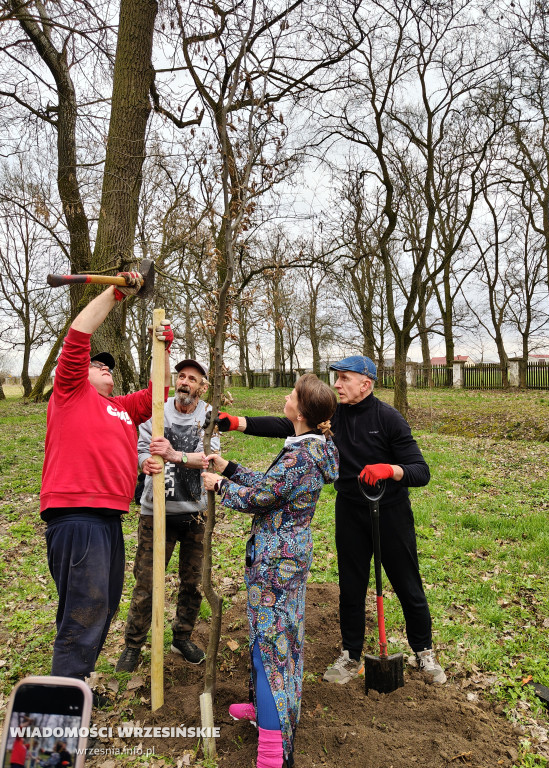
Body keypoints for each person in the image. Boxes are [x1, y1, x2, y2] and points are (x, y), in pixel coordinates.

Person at [216, 355, 446, 686]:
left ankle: (424, 653)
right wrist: (238, 421)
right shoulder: (332, 417)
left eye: (344, 378)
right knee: (351, 586)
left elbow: (420, 471)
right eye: (335, 378)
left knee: (407, 583)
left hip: (390, 513)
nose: (336, 384)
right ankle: (351, 655)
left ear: (365, 384)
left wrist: (390, 470)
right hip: (351, 510)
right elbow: (290, 423)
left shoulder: (389, 418)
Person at [40, 275, 173, 686]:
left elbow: (159, 390)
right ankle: (60, 721)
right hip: (76, 515)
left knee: (101, 607)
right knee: (86, 610)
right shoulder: (69, 393)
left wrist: (163, 347)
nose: (104, 369)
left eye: (108, 366)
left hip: (108, 520)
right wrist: (118, 292)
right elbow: (79, 333)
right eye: (97, 365)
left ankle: (73, 689)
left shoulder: (121, 409)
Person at [202, 374, 338, 768]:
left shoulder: (302, 456)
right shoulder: (308, 448)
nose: (286, 396)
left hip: (276, 563)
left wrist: (219, 485)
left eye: (292, 394)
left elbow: (262, 498)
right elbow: (273, 486)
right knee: (274, 640)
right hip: (283, 557)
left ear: (302, 409)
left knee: (272, 648)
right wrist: (231, 468)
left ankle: (271, 749)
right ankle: (266, 712)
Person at [116, 358, 219, 672]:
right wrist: (144, 461)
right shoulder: (156, 410)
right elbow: (140, 446)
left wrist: (175, 455)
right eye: (182, 376)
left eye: (193, 378)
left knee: (192, 582)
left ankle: (182, 636)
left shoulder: (209, 415)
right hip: (155, 513)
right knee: (146, 583)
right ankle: (133, 646)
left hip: (195, 514)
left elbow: (211, 459)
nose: (185, 382)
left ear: (202, 386)